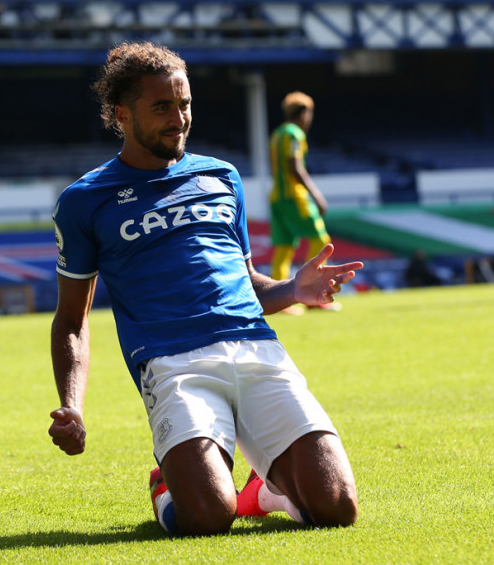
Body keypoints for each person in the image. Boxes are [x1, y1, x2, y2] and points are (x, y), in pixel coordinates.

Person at [47, 42, 361, 536]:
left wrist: (293, 289)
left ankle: (271, 489)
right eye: (162, 107)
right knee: (209, 516)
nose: (179, 118)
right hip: (173, 364)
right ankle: (167, 485)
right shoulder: (84, 200)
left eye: (185, 103)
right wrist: (72, 404)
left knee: (337, 507)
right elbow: (71, 321)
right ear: (121, 115)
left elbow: (247, 285)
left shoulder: (221, 176)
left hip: (259, 350)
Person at [268, 91, 337, 313]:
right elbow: (294, 166)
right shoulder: (294, 134)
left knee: (284, 247)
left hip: (277, 197)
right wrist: (315, 194)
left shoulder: (277, 134)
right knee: (321, 240)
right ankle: (313, 294)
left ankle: (278, 302)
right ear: (304, 113)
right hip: (293, 197)